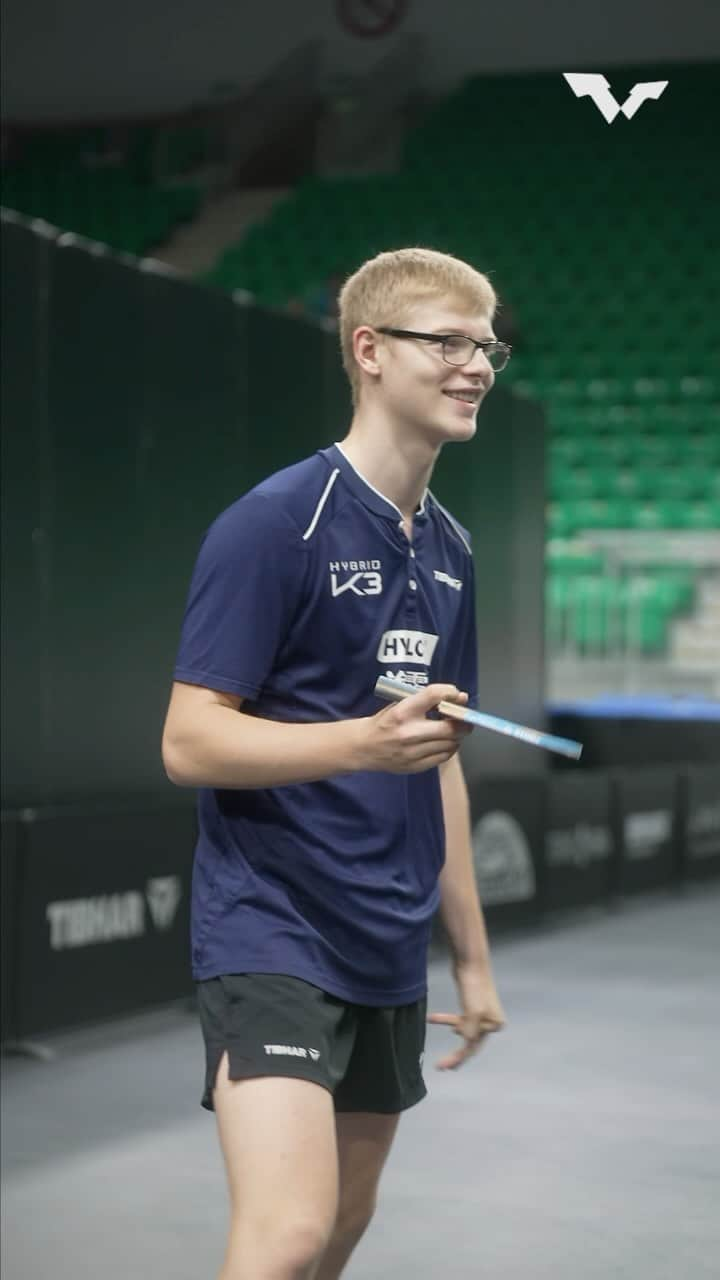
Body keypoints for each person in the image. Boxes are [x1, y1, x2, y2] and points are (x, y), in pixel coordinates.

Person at [161, 247, 510, 1280]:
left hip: (388, 938)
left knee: (339, 1234)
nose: (477, 364)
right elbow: (189, 740)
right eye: (446, 341)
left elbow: (437, 760)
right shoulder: (277, 521)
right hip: (271, 926)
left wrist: (474, 957)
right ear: (368, 350)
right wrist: (361, 739)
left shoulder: (452, 547)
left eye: (486, 344)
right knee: (288, 1232)